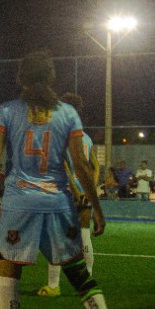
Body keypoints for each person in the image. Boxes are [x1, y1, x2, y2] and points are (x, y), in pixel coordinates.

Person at [0, 52, 125, 309]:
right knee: (78, 273)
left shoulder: (6, 111)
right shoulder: (67, 114)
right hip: (58, 204)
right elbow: (82, 166)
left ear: (21, 78)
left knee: (9, 277)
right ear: (51, 79)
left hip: (20, 203)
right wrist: (97, 208)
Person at [39, 92, 99, 296]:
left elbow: (63, 166)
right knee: (84, 235)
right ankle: (87, 279)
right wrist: (90, 188)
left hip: (65, 191)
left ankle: (53, 286)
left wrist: (74, 189)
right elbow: (95, 165)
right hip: (84, 191)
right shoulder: (86, 137)